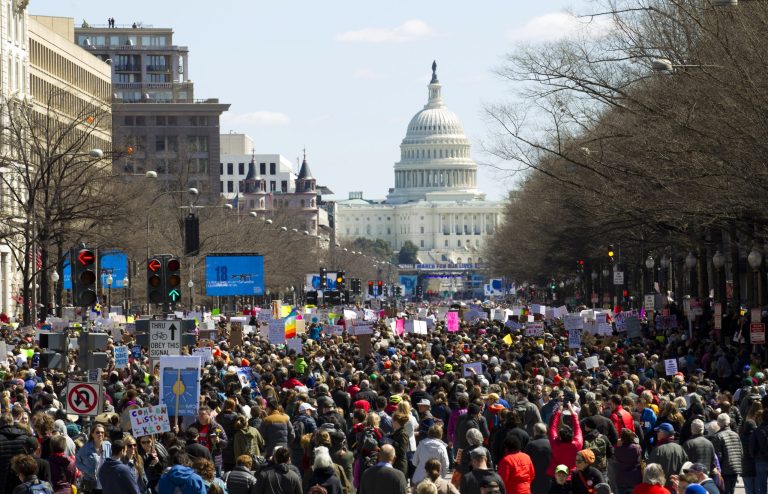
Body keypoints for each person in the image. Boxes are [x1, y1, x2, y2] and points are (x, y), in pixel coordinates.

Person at [647, 423, 688, 489]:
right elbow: (686, 466)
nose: (657, 433)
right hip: (676, 486)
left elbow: (650, 469)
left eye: (658, 431)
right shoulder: (680, 448)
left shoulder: (658, 450)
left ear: (663, 433)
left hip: (661, 487)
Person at [547, 403, 583, 478]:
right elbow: (577, 426)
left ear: (560, 437)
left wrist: (559, 411)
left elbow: (553, 428)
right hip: (573, 475)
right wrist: (571, 409)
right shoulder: (577, 444)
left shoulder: (555, 444)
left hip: (557, 475)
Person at [76, 423, 112, 494]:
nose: (100, 434)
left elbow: (112, 461)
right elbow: (77, 462)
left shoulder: (108, 445)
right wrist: (87, 470)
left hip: (105, 483)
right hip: (90, 484)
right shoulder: (86, 448)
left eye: (102, 432)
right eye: (97, 432)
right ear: (92, 434)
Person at [712, 413, 742, 494]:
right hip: (735, 468)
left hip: (725, 470)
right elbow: (741, 452)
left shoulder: (717, 436)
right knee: (731, 491)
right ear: (728, 422)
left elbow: (718, 456)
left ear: (718, 423)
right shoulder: (736, 435)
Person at [611, 428, 642, 494]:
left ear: (621, 439)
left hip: (622, 478)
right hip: (635, 477)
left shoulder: (618, 450)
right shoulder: (637, 448)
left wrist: (618, 444)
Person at [524, 422, 552, 494]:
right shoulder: (552, 444)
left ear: (535, 432)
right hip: (549, 480)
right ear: (545, 432)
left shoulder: (531, 445)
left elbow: (525, 463)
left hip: (535, 481)